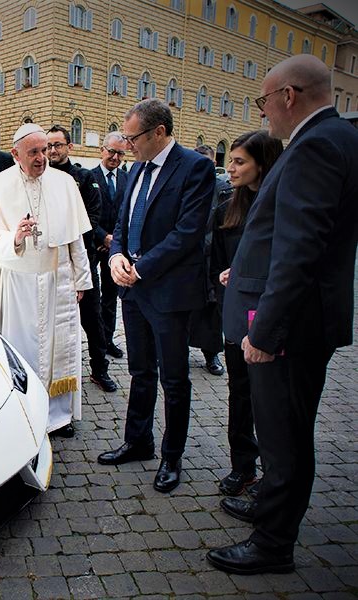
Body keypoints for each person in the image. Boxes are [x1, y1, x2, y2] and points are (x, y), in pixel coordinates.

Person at [208, 55, 358, 575]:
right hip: (304, 319)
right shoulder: (340, 139)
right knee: (286, 433)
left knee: (283, 437)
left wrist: (266, 331)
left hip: (290, 328)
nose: (264, 112)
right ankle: (270, 513)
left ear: (288, 96)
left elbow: (299, 249)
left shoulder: (315, 146)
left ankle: (273, 544)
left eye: (263, 101)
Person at [97, 99, 215, 493]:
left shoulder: (194, 168)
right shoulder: (134, 169)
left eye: (133, 138)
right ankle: (138, 441)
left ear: (159, 132)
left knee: (175, 378)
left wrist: (140, 266)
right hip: (132, 290)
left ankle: (171, 456)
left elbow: (187, 233)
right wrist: (115, 256)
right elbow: (121, 221)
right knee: (140, 371)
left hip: (168, 291)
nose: (127, 145)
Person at [0, 123, 92, 438]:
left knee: (57, 349)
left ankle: (59, 416)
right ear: (15, 154)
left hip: (56, 281)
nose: (41, 158)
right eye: (33, 152)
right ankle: (23, 412)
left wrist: (81, 280)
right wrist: (15, 238)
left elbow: (75, 238)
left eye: (45, 150)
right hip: (15, 284)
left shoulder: (64, 183)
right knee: (21, 350)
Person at [209, 131, 283, 498]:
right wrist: (224, 276)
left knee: (268, 401)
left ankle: (274, 476)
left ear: (263, 164)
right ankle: (243, 466)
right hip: (237, 317)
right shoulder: (226, 209)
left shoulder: (281, 208)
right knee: (239, 395)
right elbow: (218, 261)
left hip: (270, 318)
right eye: (231, 160)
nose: (231, 168)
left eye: (240, 161)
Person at [47, 125, 117, 394]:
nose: (53, 151)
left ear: (69, 147)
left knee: (93, 318)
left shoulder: (84, 178)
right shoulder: (41, 178)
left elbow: (91, 219)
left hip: (80, 262)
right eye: (49, 146)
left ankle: (99, 370)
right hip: (50, 266)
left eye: (58, 145)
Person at [190, 144, 233, 377]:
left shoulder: (224, 189)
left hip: (213, 257)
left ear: (214, 163)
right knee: (185, 308)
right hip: (189, 258)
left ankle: (211, 353)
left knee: (211, 309)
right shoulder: (187, 186)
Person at [89, 132, 129, 360]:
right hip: (95, 245)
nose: (115, 157)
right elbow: (86, 213)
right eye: (111, 151)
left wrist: (115, 241)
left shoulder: (126, 178)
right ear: (102, 150)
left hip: (116, 248)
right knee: (94, 297)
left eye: (120, 153)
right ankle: (97, 342)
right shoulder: (89, 176)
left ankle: (108, 339)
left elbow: (126, 213)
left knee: (111, 297)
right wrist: (103, 237)